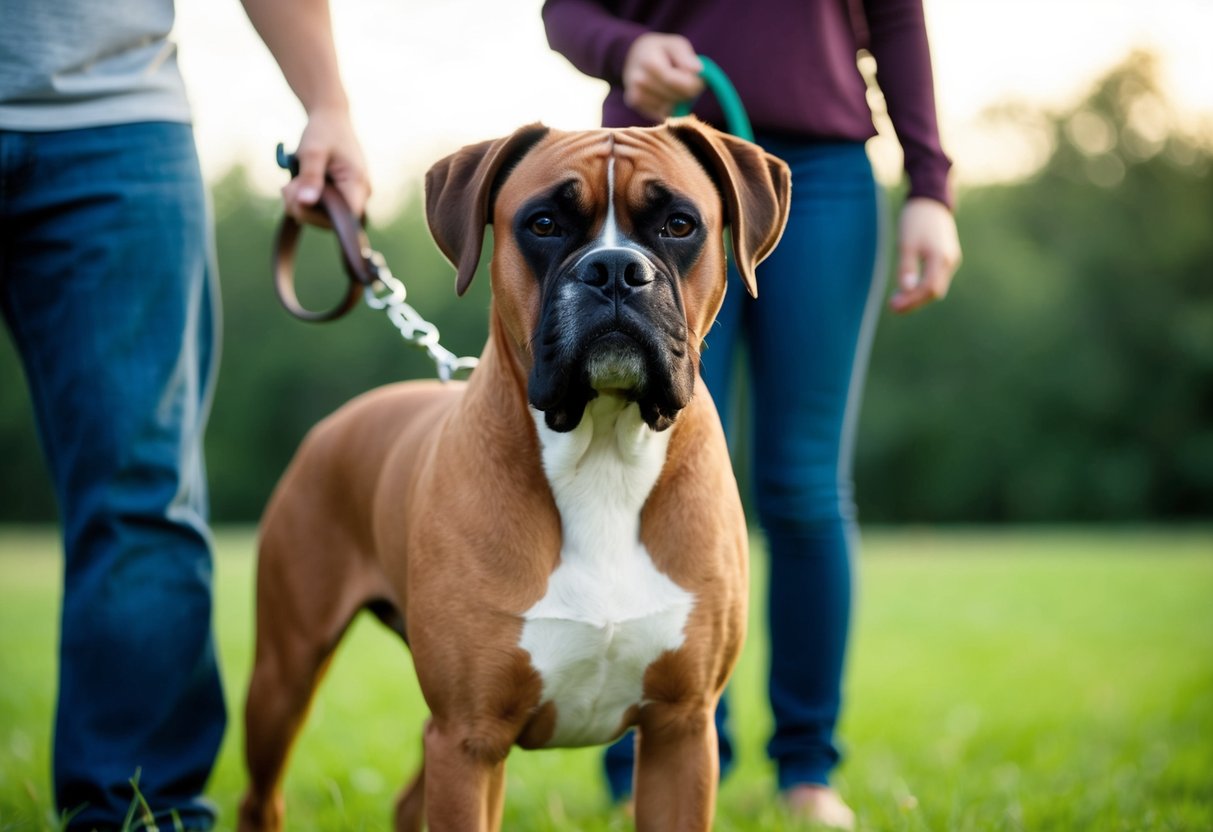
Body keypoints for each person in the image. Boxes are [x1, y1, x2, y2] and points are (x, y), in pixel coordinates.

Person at [542, 1, 961, 827]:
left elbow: (898, 19)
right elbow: (564, 9)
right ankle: (647, 757)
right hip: (653, 169)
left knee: (804, 485)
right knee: (642, 470)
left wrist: (930, 184)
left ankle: (807, 767)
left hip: (825, 170)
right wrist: (624, 48)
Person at [0, 1, 369, 828]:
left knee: (142, 495)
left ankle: (142, 815)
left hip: (113, 122)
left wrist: (328, 103)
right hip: (115, 133)